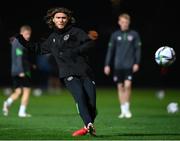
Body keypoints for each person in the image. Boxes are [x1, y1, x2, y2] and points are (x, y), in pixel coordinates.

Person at [19, 7, 97, 136]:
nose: (61, 20)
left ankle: (87, 126)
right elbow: (38, 49)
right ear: (53, 20)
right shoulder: (52, 38)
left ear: (68, 19)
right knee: (80, 98)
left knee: (92, 104)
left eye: (63, 18)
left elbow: (89, 44)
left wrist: (75, 51)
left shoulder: (76, 32)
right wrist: (22, 40)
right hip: (68, 74)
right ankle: (89, 124)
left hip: (85, 71)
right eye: (58, 18)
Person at [104, 13, 141, 118]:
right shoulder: (115, 35)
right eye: (122, 22)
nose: (124, 24)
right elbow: (110, 51)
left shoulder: (134, 34)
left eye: (126, 22)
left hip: (129, 64)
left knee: (128, 85)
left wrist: (137, 63)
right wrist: (107, 64)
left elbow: (138, 50)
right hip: (118, 65)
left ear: (129, 22)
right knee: (120, 87)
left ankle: (127, 109)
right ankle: (123, 110)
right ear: (119, 22)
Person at [3, 25, 32, 118]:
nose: (28, 36)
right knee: (27, 91)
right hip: (21, 71)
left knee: (18, 91)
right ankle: (22, 112)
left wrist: (31, 65)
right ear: (21, 33)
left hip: (14, 71)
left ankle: (7, 103)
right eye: (26, 34)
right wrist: (21, 71)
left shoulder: (15, 41)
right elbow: (19, 57)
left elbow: (19, 57)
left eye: (29, 34)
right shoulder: (20, 43)